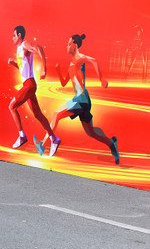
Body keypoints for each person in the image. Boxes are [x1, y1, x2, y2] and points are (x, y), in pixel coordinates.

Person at [40, 34, 119, 163]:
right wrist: (59, 71)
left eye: (69, 43)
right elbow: (64, 82)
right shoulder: (71, 63)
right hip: (82, 100)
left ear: (75, 45)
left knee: (56, 114)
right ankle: (111, 144)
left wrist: (101, 79)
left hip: (81, 99)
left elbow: (94, 61)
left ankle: (45, 144)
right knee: (91, 132)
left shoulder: (80, 58)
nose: (67, 46)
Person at [8, 26, 60, 156]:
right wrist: (14, 64)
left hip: (29, 85)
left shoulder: (25, 44)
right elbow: (23, 69)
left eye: (14, 35)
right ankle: (54, 139)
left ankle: (21, 135)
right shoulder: (19, 49)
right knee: (38, 114)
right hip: (28, 85)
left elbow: (39, 48)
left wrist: (44, 69)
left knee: (12, 107)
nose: (12, 38)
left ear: (19, 35)